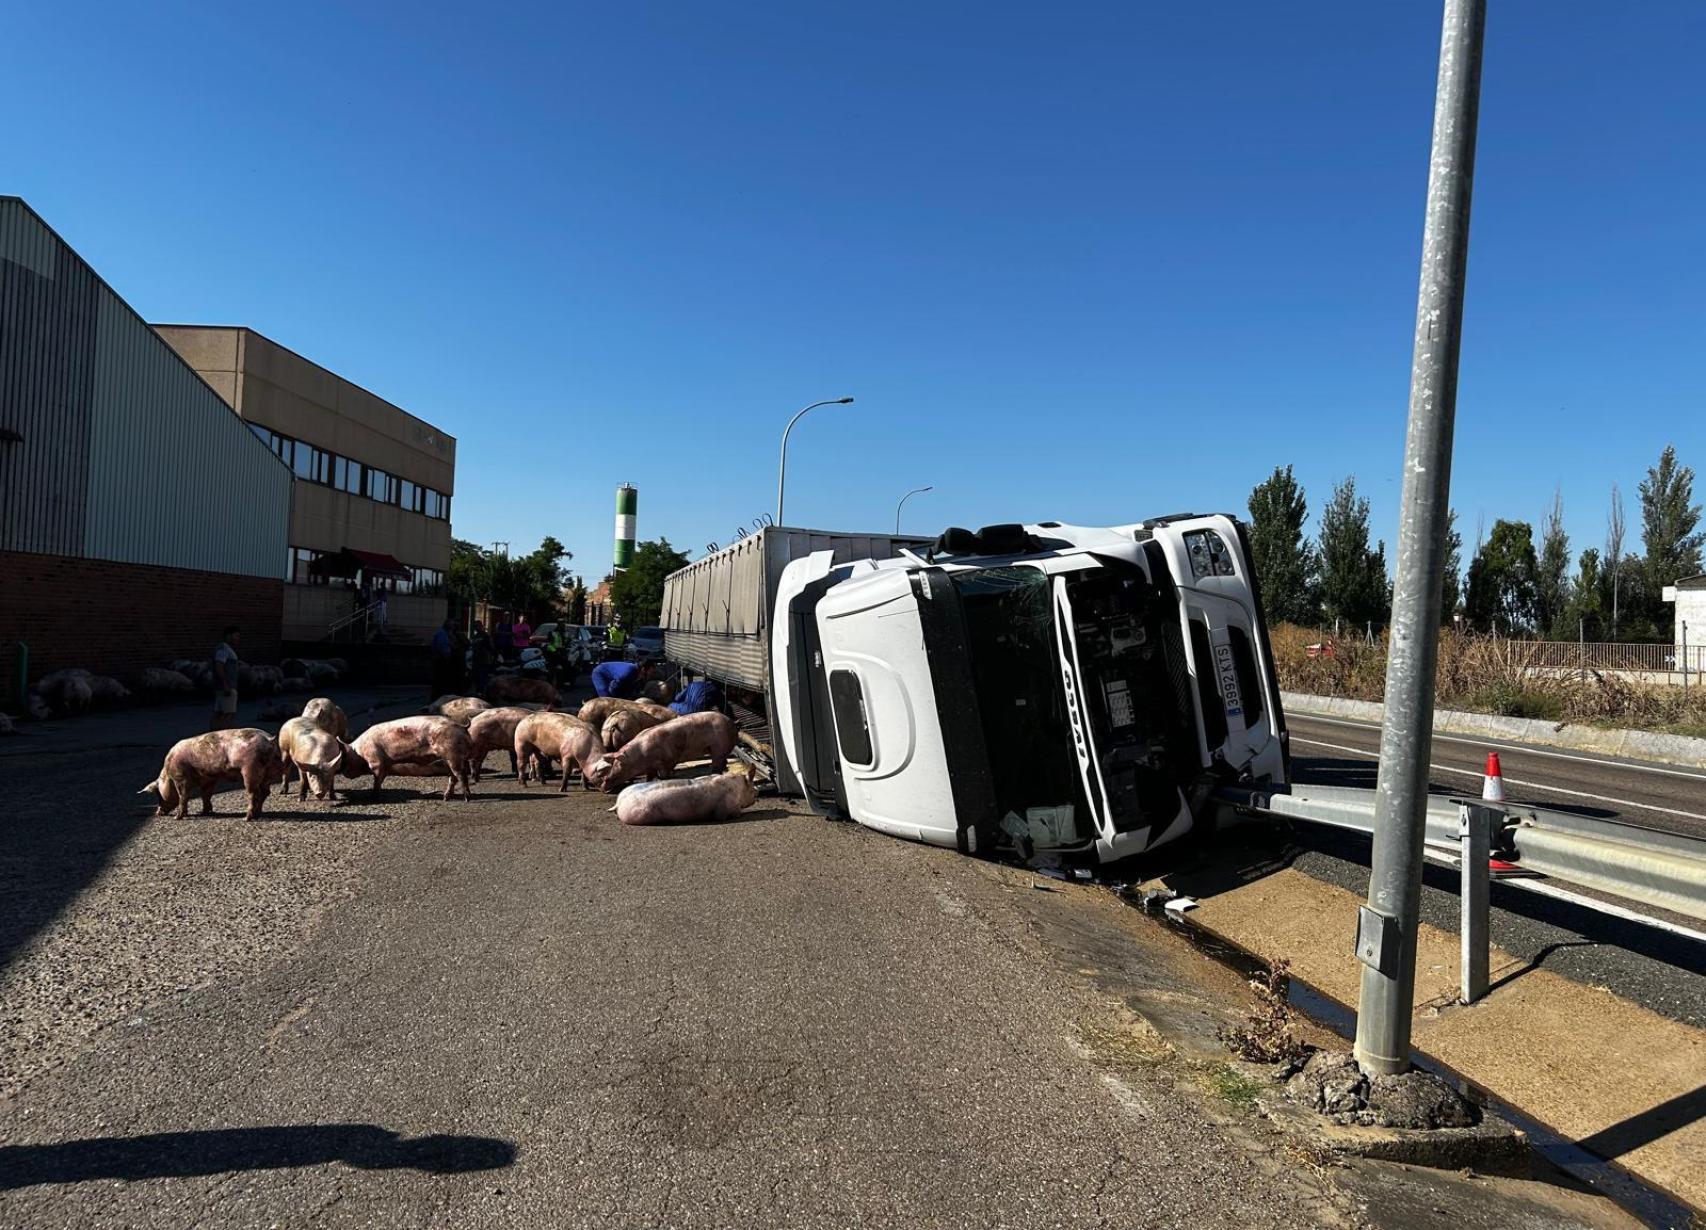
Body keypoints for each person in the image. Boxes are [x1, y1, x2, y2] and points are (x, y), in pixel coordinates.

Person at [209, 625, 242, 731]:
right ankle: (223, 736)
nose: (238, 639)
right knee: (228, 714)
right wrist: (226, 685)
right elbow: (219, 666)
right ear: (228, 636)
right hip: (227, 686)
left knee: (219, 713)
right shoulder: (223, 650)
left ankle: (213, 735)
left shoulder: (225, 649)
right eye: (236, 636)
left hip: (224, 686)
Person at [429, 617, 457, 700]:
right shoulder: (442, 634)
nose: (454, 626)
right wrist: (447, 657)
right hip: (440, 660)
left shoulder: (445, 633)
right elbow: (442, 647)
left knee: (440, 680)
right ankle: (436, 697)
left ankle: (437, 696)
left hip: (440, 659)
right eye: (452, 624)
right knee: (439, 680)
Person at [469, 620, 496, 692]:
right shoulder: (475, 636)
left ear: (481, 626)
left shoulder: (486, 635)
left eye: (477, 626)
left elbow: (491, 647)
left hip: (484, 660)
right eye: (475, 626)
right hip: (476, 660)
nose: (476, 628)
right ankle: (478, 691)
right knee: (476, 677)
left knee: (483, 678)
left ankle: (482, 692)